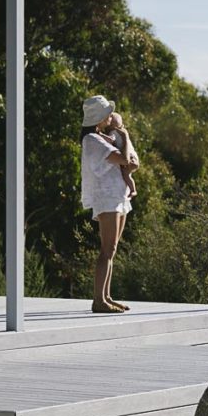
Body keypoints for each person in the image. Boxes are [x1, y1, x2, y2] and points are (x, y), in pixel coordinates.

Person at [80, 94, 140, 314]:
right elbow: (124, 160)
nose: (109, 118)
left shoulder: (101, 138)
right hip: (106, 197)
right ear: (99, 118)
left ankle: (106, 296)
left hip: (117, 196)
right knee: (107, 249)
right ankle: (98, 300)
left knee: (111, 250)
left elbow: (128, 162)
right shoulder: (91, 140)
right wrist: (124, 134)